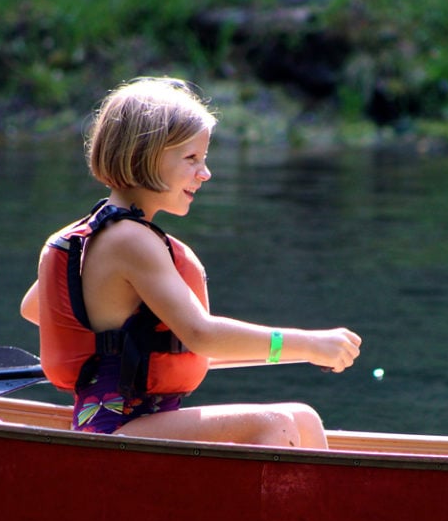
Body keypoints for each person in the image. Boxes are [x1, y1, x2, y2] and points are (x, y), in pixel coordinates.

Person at [20, 77, 361, 449]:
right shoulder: (131, 240)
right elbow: (200, 335)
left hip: (134, 427)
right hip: (114, 432)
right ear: (144, 155)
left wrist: (138, 350)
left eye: (204, 158)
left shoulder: (91, 235)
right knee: (274, 423)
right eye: (191, 159)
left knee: (303, 418)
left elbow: (37, 308)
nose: (205, 173)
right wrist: (309, 344)